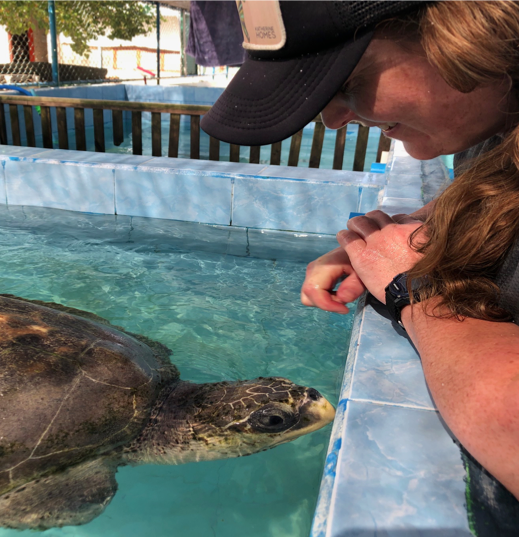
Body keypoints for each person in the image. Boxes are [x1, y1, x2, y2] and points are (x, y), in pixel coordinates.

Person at [200, 0, 519, 514]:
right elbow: (496, 182)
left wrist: (414, 291)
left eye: (347, 80)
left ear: (460, 28)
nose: (332, 119)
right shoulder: (498, 127)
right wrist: (403, 233)